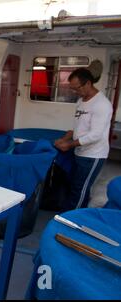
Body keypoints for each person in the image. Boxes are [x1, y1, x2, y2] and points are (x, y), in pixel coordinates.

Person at [54, 68, 113, 212]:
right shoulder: (81, 101)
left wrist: (69, 145)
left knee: (80, 188)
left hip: (93, 155)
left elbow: (95, 135)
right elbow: (78, 128)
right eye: (72, 89)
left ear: (87, 83)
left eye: (76, 88)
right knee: (74, 184)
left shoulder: (102, 104)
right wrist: (64, 138)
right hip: (79, 151)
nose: (75, 92)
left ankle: (71, 219)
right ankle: (77, 213)